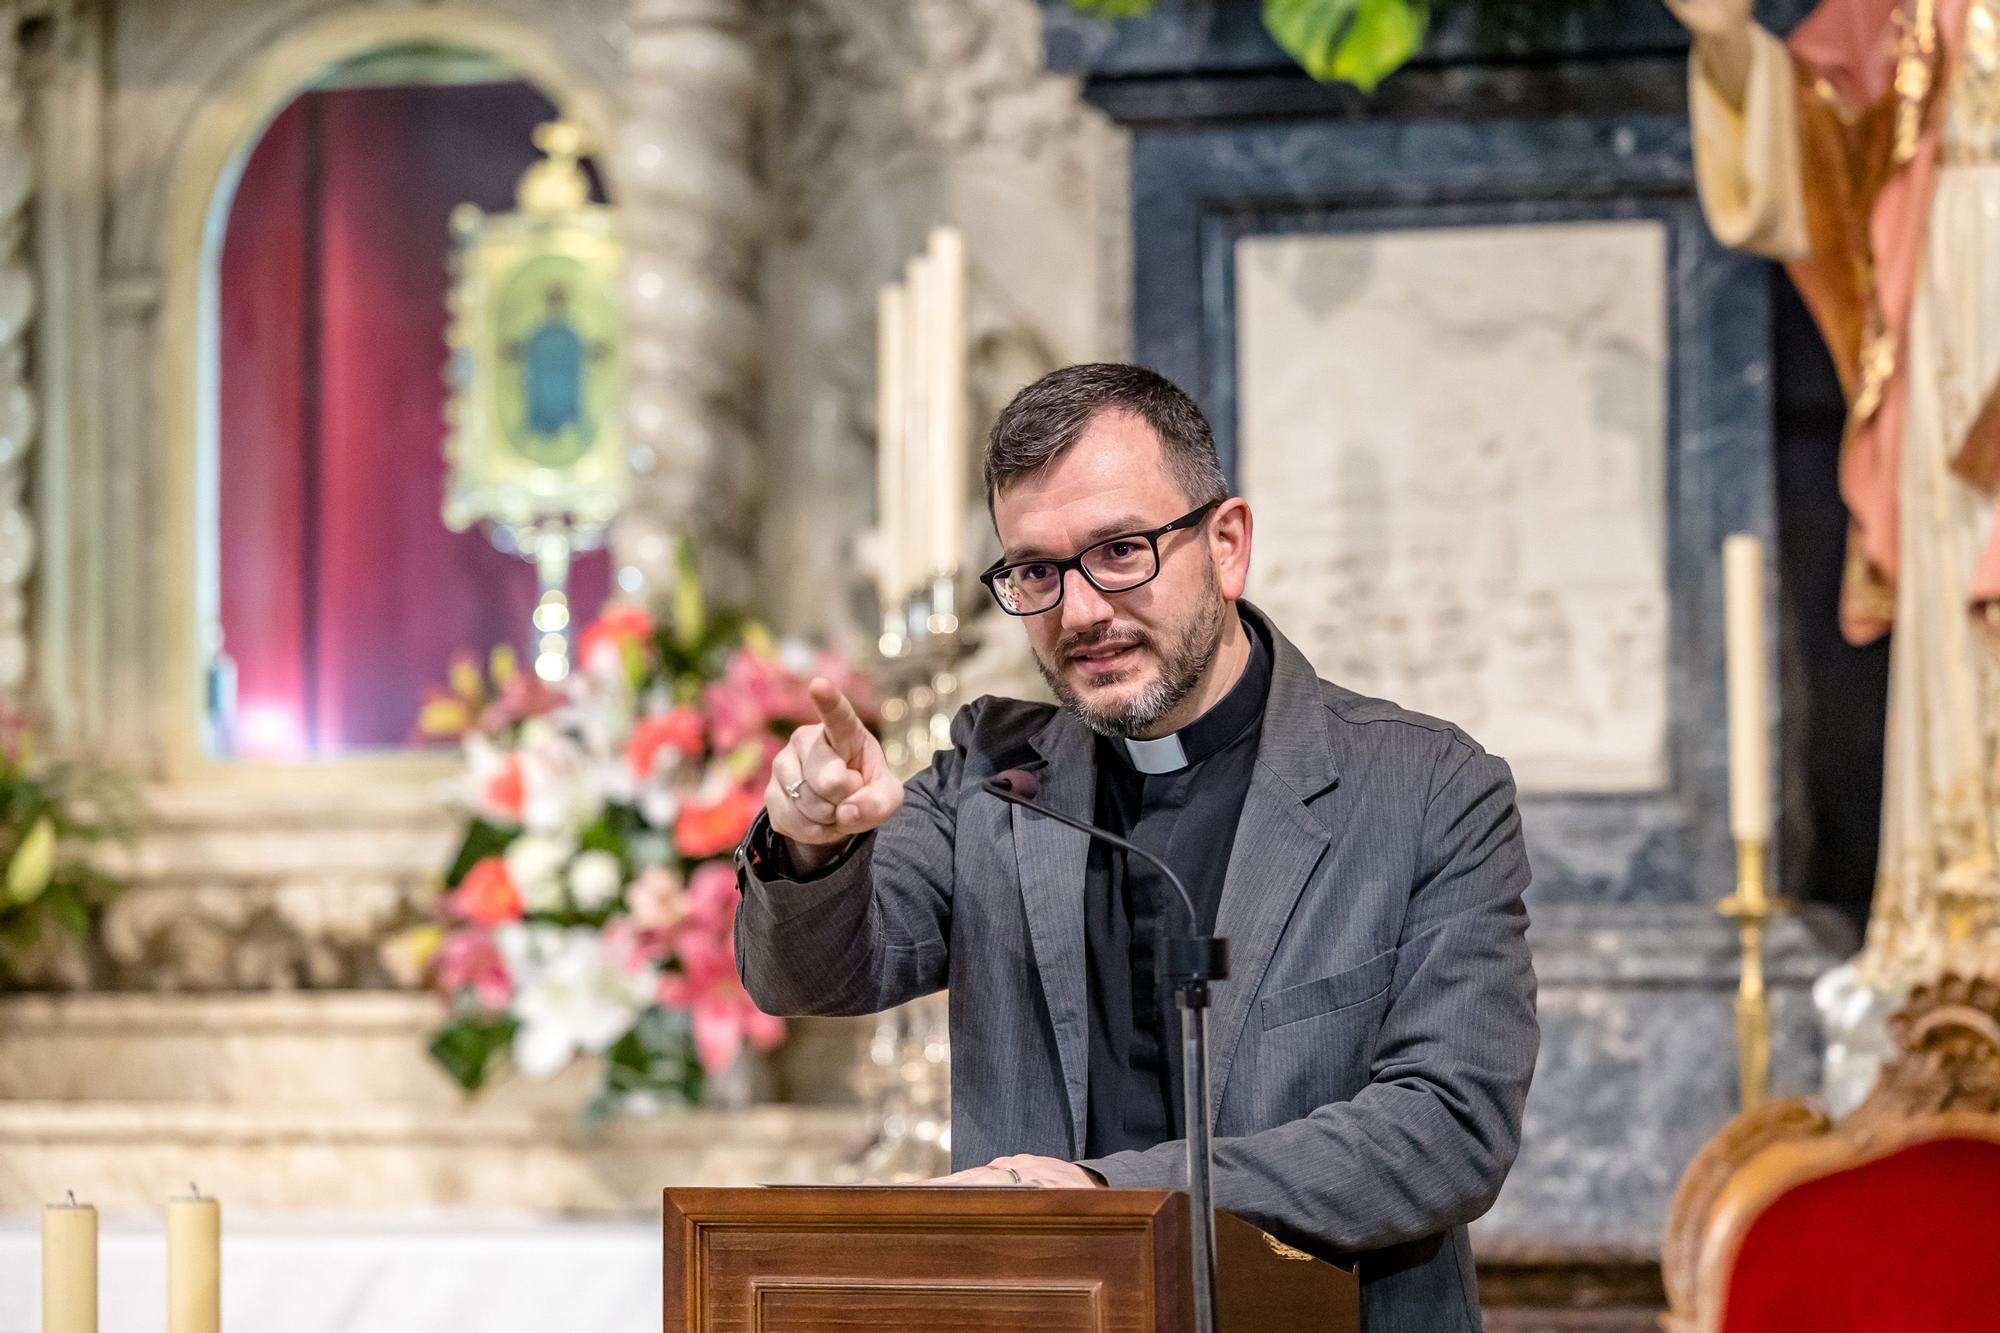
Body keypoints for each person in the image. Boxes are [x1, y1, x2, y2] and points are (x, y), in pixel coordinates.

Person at [733, 363, 1537, 1333]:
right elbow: (810, 973)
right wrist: (808, 844)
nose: (1078, 613)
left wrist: (1100, 1194)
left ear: (1226, 544)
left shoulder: (1425, 790)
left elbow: (1446, 1128)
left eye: (1119, 551)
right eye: (1035, 570)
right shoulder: (992, 776)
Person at [1663, 0, 2000, 982]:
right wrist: (1728, 45)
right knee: (1959, 612)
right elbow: (1815, 130)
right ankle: (1963, 916)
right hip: (1955, 301)